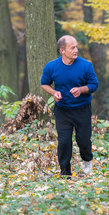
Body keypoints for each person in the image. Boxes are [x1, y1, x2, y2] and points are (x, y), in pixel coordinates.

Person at [41, 35, 99, 177]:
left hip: (82, 109)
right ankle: (65, 172)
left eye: (76, 46)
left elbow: (94, 85)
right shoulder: (51, 66)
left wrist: (81, 89)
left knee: (84, 141)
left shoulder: (86, 65)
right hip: (62, 111)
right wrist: (54, 93)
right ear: (62, 50)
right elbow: (44, 84)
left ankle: (87, 160)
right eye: (72, 47)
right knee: (64, 142)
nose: (76, 50)